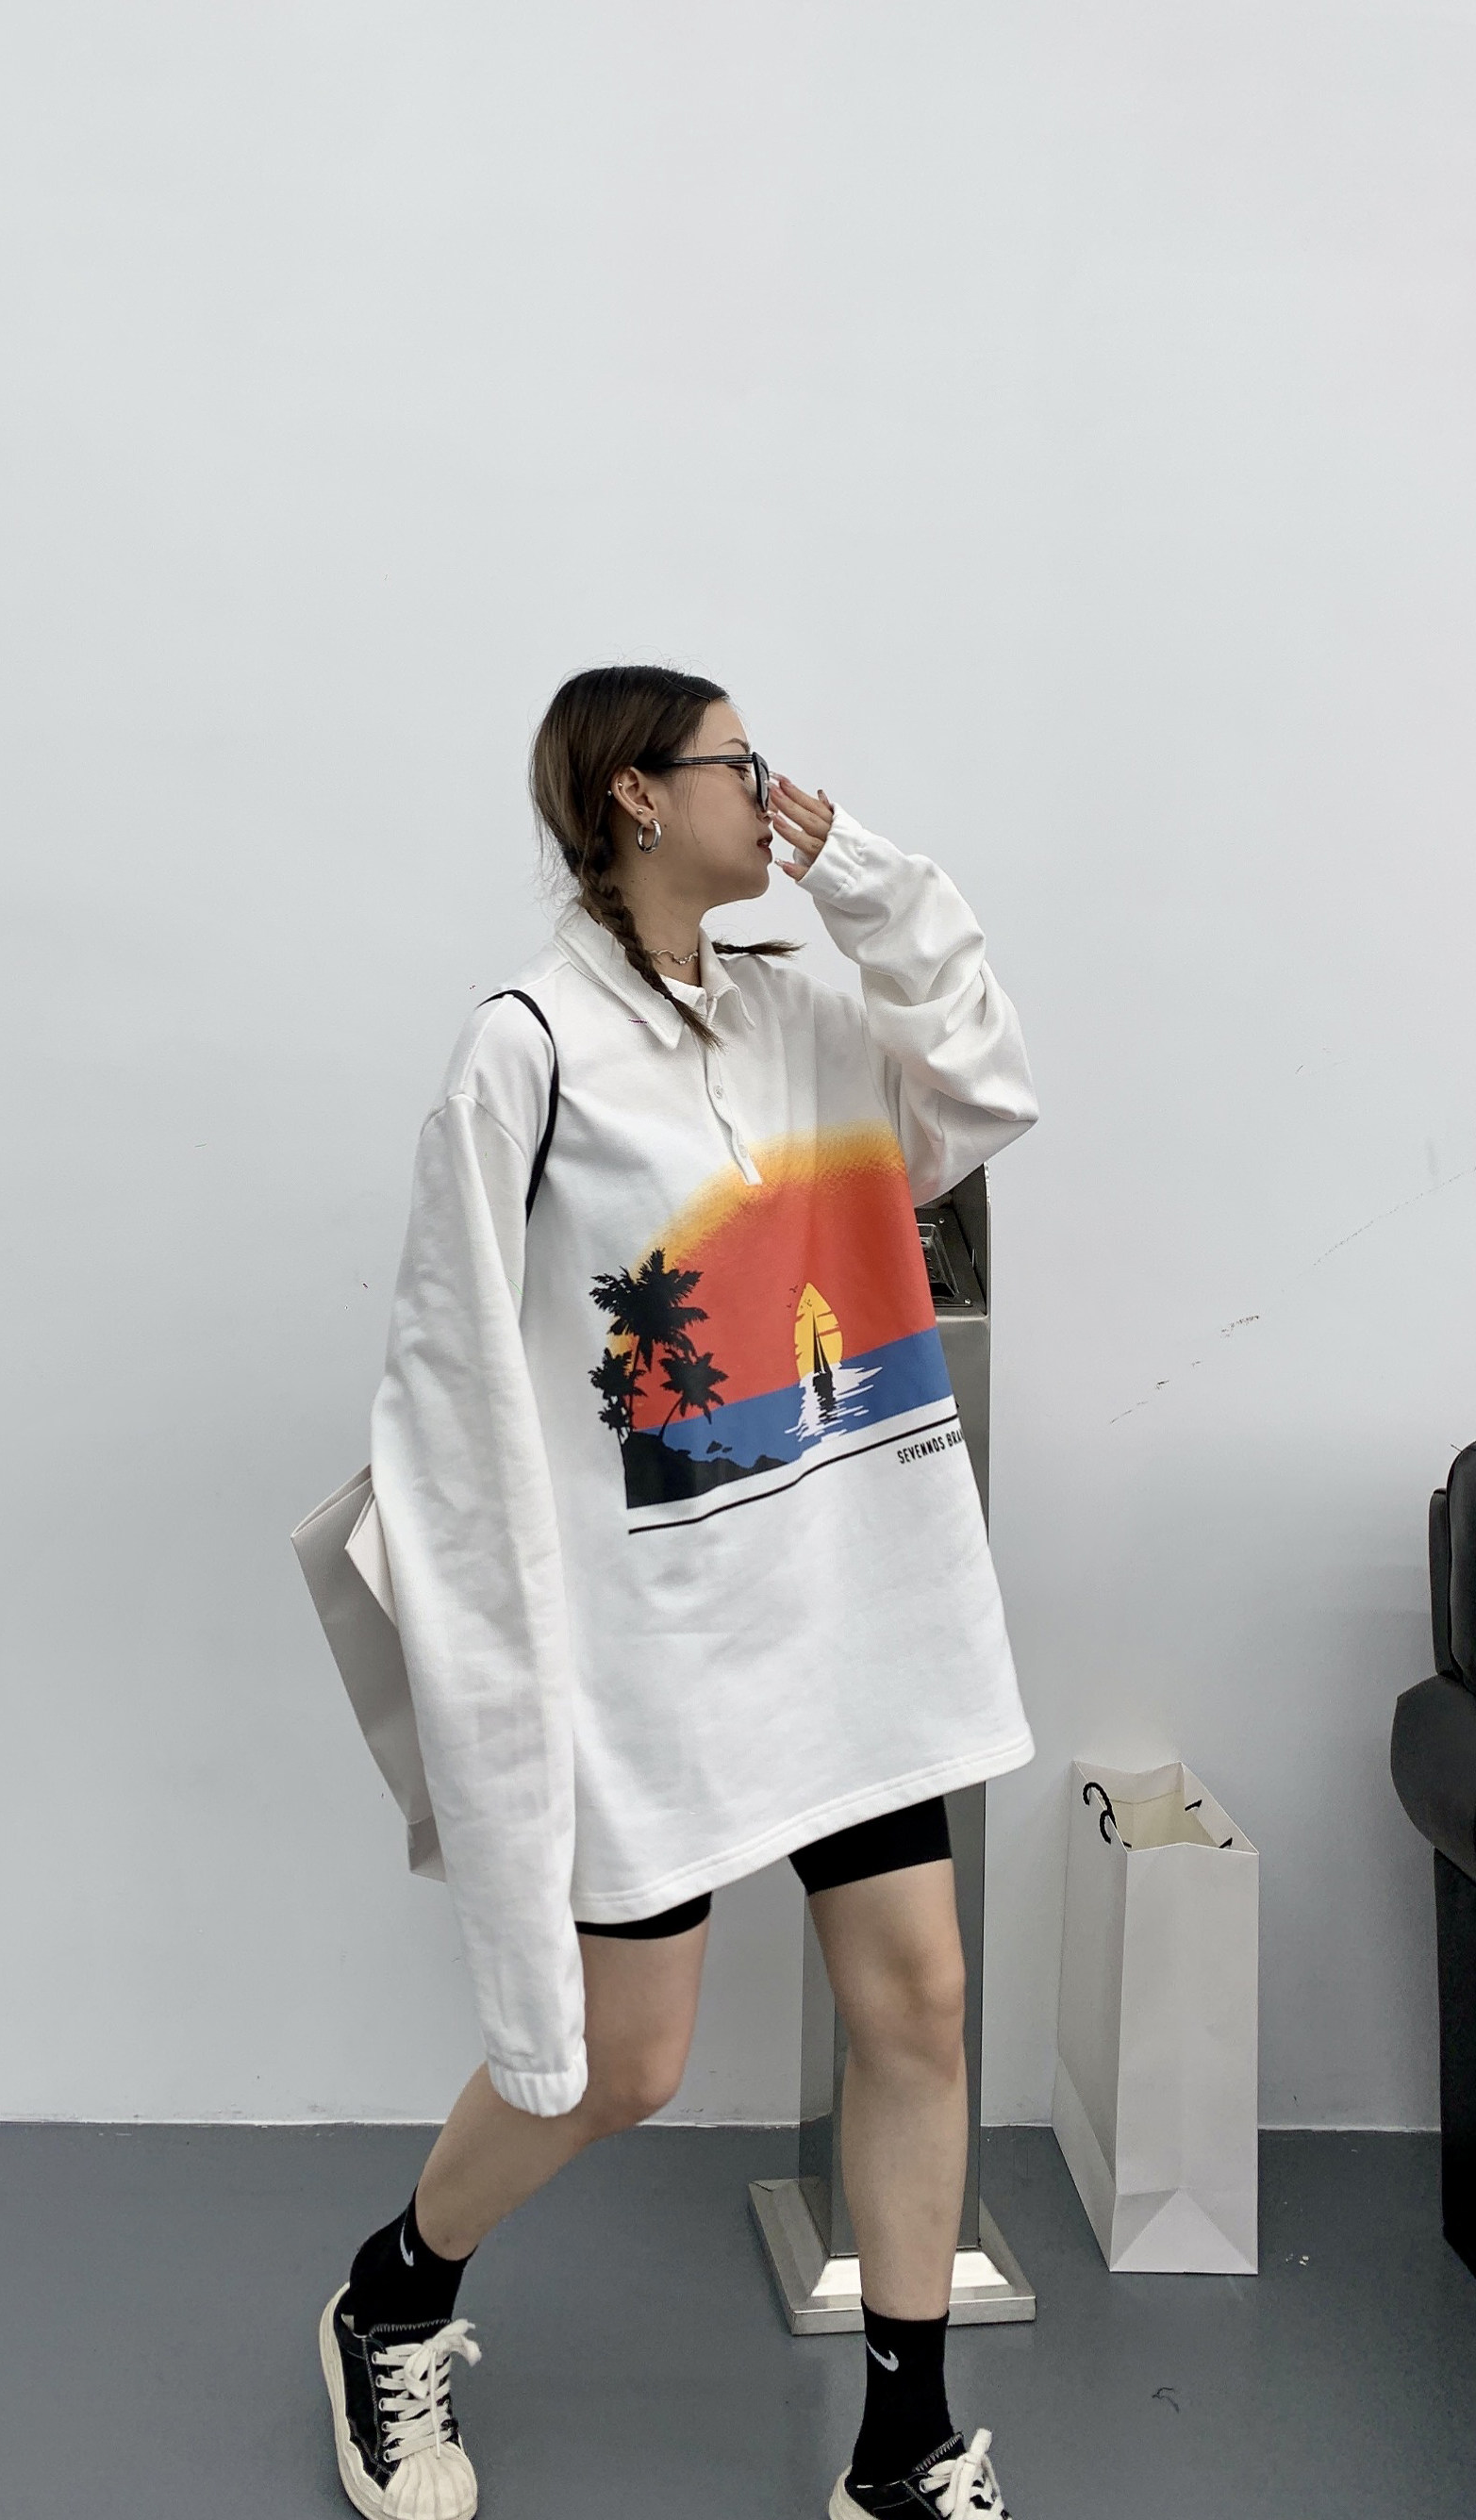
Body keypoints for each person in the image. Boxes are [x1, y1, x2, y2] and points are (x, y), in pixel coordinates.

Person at [320, 664, 1040, 2520]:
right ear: (638, 795)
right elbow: (448, 1388)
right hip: (653, 1644)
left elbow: (981, 1086)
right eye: (744, 764)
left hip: (847, 1607)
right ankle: (393, 2293)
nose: (775, 792)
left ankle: (902, 2446)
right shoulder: (528, 1049)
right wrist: (501, 1671)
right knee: (618, 2065)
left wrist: (863, 876)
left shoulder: (808, 1016)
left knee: (922, 2005)